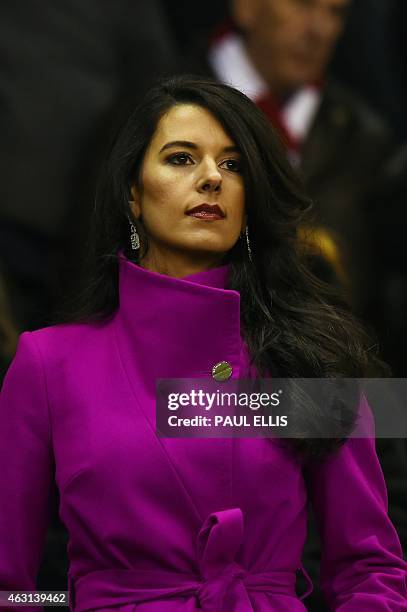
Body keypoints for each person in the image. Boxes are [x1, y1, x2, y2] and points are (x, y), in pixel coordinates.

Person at [0, 75, 406, 611]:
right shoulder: (48, 363)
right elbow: (15, 591)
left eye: (233, 164)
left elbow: (370, 571)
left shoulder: (310, 363)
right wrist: (77, 603)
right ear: (132, 194)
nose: (212, 177)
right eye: (180, 158)